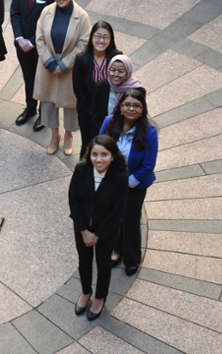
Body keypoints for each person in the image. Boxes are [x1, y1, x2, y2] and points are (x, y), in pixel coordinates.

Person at [68, 134, 129, 321]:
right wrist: (84, 231)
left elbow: (117, 211)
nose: (99, 159)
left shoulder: (120, 177)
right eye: (95, 154)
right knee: (84, 262)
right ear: (90, 154)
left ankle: (100, 297)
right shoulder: (81, 169)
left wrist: (98, 234)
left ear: (112, 156)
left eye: (104, 155)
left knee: (103, 265)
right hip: (83, 228)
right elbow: (74, 199)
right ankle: (86, 292)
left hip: (107, 231)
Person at [100, 89, 158, 277]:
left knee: (131, 221)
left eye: (136, 105)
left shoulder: (149, 132)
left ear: (143, 109)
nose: (131, 108)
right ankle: (117, 249)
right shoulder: (109, 122)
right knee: (115, 218)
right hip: (111, 181)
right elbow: (99, 148)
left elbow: (148, 166)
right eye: (127, 104)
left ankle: (132, 258)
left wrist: (127, 183)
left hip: (135, 184)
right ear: (120, 106)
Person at [33, 0, 91, 156]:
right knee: (48, 102)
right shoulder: (47, 12)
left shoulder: (81, 16)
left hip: (70, 67)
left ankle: (68, 136)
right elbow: (40, 38)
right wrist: (50, 63)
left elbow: (83, 43)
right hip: (48, 64)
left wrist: (64, 65)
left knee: (70, 104)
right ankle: (54, 135)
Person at [11, 0, 54, 131]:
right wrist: (20, 38)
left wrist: (32, 41)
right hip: (22, 45)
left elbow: (51, 22)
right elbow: (15, 13)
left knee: (44, 81)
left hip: (41, 46)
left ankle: (44, 115)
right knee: (28, 78)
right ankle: (30, 108)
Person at [73, 21, 121, 159]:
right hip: (87, 111)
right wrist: (92, 112)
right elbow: (78, 90)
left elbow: (122, 83)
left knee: (110, 145)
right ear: (91, 37)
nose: (101, 40)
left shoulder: (116, 57)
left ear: (111, 39)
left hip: (111, 111)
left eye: (105, 37)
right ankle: (84, 174)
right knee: (88, 145)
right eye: (97, 36)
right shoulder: (81, 59)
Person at [92, 54, 145, 137]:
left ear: (128, 72)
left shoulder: (138, 90)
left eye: (120, 71)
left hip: (127, 135)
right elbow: (94, 114)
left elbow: (139, 115)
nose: (116, 74)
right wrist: (102, 134)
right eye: (113, 70)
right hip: (104, 133)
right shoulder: (100, 86)